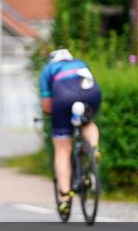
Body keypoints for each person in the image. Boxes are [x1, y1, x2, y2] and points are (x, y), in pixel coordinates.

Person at [39, 48, 101, 214]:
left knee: (62, 149)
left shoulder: (48, 70)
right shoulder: (80, 63)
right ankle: (93, 149)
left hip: (63, 96)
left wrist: (51, 113)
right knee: (87, 123)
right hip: (92, 93)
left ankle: (65, 198)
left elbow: (47, 106)